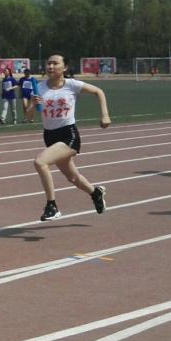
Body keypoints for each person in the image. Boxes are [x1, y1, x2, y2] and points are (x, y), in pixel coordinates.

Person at [33, 53, 110, 221]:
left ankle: (52, 206)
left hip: (68, 135)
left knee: (40, 162)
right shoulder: (39, 88)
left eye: (55, 63)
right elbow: (29, 116)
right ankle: (95, 193)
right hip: (50, 136)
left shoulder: (72, 84)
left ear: (65, 67)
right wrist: (33, 106)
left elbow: (99, 92)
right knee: (73, 177)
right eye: (48, 63)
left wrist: (104, 115)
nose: (50, 66)